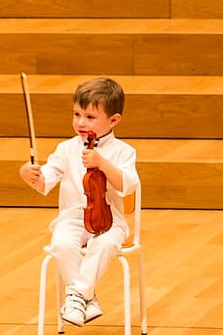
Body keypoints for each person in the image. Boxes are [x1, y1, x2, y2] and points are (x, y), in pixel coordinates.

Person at [19, 77, 140, 327]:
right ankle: (86, 298)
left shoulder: (123, 151)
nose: (81, 122)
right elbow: (45, 182)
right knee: (61, 244)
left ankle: (76, 295)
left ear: (114, 120)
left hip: (110, 221)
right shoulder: (65, 149)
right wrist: (29, 174)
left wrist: (102, 163)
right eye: (77, 114)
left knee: (105, 244)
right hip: (72, 219)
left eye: (90, 117)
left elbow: (127, 185)